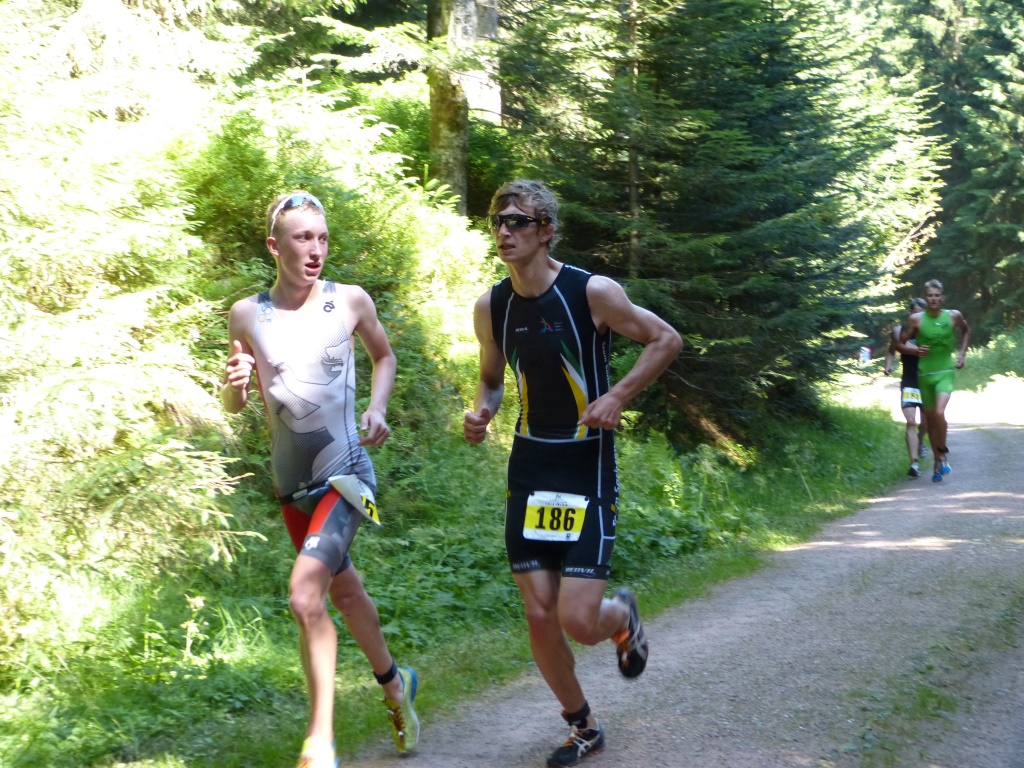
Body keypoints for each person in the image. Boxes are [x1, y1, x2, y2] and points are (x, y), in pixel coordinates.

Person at [463, 180, 683, 767]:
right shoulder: (492, 306)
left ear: (546, 231)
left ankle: (621, 615)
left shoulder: (592, 292)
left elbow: (665, 339)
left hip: (587, 464)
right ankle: (582, 725)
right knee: (539, 613)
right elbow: (491, 378)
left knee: (578, 621)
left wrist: (617, 396)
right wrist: (483, 411)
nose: (505, 231)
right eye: (498, 221)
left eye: (518, 221)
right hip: (531, 464)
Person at [221, 192, 418, 768]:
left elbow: (384, 357)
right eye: (303, 237)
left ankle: (320, 741)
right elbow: (235, 403)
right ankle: (396, 684)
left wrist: (377, 408)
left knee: (305, 595)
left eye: (323, 238)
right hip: (291, 487)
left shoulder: (349, 300)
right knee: (345, 594)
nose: (315, 249)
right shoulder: (245, 314)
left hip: (347, 476)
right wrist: (233, 385)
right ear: (274, 245)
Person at [898, 279, 971, 483]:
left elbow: (966, 331)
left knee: (939, 412)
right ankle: (937, 463)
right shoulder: (916, 320)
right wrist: (915, 350)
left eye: (937, 295)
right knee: (930, 421)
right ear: (925, 297)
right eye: (930, 295)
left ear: (942, 297)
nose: (933, 299)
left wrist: (962, 355)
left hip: (945, 371)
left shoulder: (953, 316)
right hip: (924, 374)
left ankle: (942, 453)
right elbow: (900, 344)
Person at [884, 298, 929, 477]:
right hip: (909, 381)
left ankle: (920, 441)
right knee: (911, 421)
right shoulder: (899, 331)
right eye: (915, 312)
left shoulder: (929, 332)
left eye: (922, 313)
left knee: (925, 423)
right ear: (910, 313)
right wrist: (888, 365)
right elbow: (892, 349)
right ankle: (914, 463)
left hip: (926, 381)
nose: (918, 316)